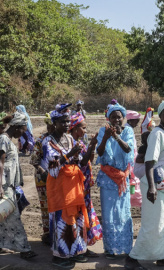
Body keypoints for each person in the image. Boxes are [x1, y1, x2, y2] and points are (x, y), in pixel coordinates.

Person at [125, 101, 164, 269]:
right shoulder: (157, 134)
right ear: (159, 115)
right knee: (153, 224)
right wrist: (151, 187)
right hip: (155, 185)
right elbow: (150, 162)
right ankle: (132, 259)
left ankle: (163, 255)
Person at [0, 112, 37, 259]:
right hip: (2, 184)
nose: (23, 133)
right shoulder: (3, 140)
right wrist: (0, 186)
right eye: (23, 130)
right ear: (17, 127)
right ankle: (24, 249)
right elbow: (0, 163)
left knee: (0, 215)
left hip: (5, 182)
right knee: (13, 215)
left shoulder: (7, 140)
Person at [43, 104, 88, 268]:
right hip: (58, 186)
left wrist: (76, 155)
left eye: (68, 122)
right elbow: (52, 167)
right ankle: (60, 255)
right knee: (61, 219)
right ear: (54, 123)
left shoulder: (69, 138)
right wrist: (70, 154)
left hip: (72, 185)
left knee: (74, 218)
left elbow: (77, 159)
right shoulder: (48, 141)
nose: (67, 125)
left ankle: (74, 251)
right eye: (63, 122)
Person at [96, 102, 134, 259]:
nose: (116, 120)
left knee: (123, 213)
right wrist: (106, 137)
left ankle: (125, 246)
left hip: (122, 179)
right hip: (108, 179)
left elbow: (128, 149)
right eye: (113, 118)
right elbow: (99, 152)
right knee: (109, 214)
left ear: (124, 118)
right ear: (108, 119)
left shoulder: (128, 131)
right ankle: (110, 249)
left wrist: (117, 137)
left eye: (119, 117)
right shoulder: (102, 131)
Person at [69, 112, 102, 256]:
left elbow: (88, 159)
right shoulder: (73, 143)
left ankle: (83, 245)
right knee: (80, 216)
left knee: (84, 215)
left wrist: (91, 146)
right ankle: (80, 248)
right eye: (83, 128)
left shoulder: (79, 142)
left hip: (83, 185)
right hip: (77, 186)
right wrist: (93, 144)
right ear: (75, 128)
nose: (85, 131)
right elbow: (83, 162)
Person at [29, 112, 54, 245]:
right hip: (42, 177)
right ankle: (48, 234)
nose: (50, 129)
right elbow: (34, 160)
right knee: (45, 206)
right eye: (48, 126)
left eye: (52, 126)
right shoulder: (41, 139)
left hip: (56, 177)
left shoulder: (61, 139)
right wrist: (43, 171)